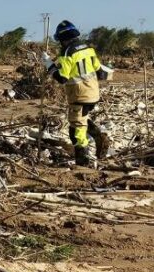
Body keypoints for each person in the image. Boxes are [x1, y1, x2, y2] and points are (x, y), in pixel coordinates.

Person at [41, 20, 113, 167]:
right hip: (93, 93)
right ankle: (99, 137)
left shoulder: (67, 53)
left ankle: (83, 162)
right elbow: (100, 71)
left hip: (79, 95)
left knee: (75, 130)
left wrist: (49, 65)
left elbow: (62, 78)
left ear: (63, 38)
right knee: (82, 119)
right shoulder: (88, 49)